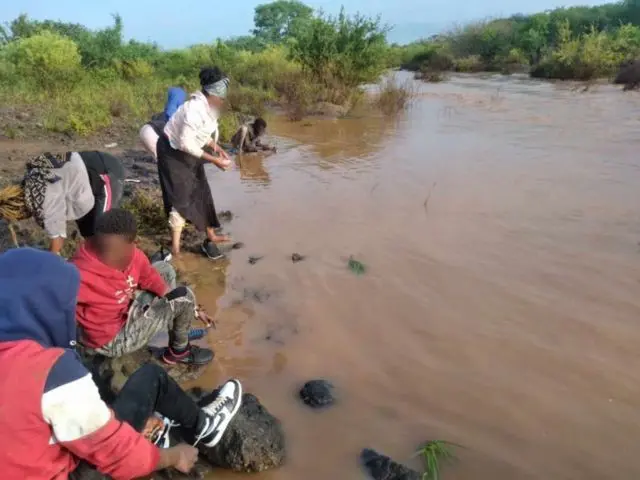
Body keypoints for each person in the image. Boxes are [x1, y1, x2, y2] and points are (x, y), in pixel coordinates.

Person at [0, 247, 243, 480]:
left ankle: (159, 432)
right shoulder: (50, 370)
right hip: (64, 473)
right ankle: (205, 427)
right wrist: (172, 457)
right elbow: (118, 455)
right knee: (152, 378)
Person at [73, 208, 214, 365]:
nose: (108, 259)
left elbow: (150, 277)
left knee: (164, 269)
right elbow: (56, 310)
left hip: (125, 311)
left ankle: (176, 325)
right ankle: (179, 352)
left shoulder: (136, 256)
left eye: (116, 253)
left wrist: (189, 308)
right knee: (185, 297)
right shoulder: (78, 273)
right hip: (112, 339)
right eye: (103, 251)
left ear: (133, 245)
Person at [157, 66, 233, 259]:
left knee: (202, 191)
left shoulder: (210, 108)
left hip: (188, 150)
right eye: (221, 97)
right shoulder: (193, 109)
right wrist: (214, 159)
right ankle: (176, 249)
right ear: (212, 93)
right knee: (180, 196)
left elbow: (200, 134)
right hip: (172, 152)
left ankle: (211, 235)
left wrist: (215, 147)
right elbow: (184, 142)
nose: (222, 101)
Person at [0, 151, 125, 255]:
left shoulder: (43, 202)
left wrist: (47, 264)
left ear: (18, 210)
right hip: (83, 173)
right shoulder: (31, 183)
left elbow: (57, 242)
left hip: (103, 172)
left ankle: (122, 273)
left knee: (103, 236)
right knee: (89, 235)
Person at [140, 86, 187, 161]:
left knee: (160, 158)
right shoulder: (174, 112)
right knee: (164, 161)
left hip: (145, 129)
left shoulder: (168, 108)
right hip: (151, 133)